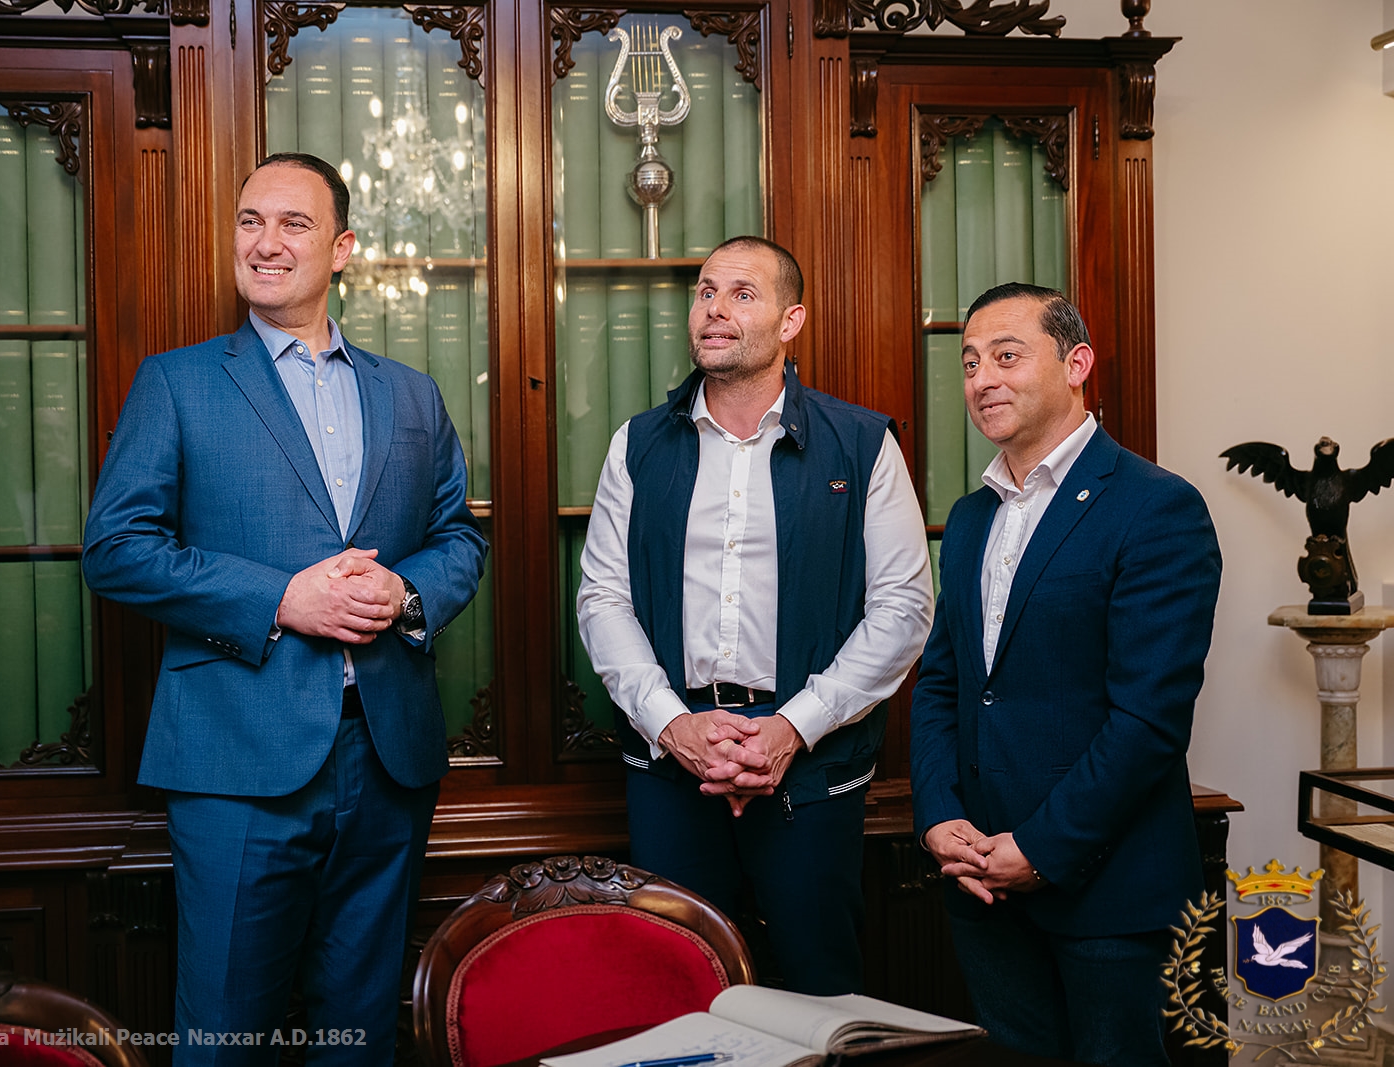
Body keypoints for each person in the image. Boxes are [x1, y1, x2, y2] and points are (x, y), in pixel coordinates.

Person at [82, 153, 487, 1065]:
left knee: (359, 1034)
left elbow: (458, 536)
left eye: (293, 224)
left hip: (386, 758)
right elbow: (115, 549)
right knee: (227, 1033)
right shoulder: (178, 383)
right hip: (234, 760)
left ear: (342, 248)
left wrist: (406, 591)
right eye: (249, 221)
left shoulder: (410, 393)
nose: (265, 243)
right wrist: (281, 597)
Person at [576, 235, 934, 995]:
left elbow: (902, 609)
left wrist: (791, 728)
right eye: (706, 292)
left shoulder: (863, 443)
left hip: (813, 764)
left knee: (820, 988)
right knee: (676, 988)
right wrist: (673, 726)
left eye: (742, 294)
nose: (715, 309)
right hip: (672, 760)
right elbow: (603, 599)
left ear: (790, 320)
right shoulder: (637, 445)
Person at [910, 282, 1221, 1066]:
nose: (983, 379)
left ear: (1076, 363)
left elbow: (1148, 720)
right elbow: (945, 682)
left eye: (1007, 356)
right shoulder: (971, 517)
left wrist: (1040, 848)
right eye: (970, 362)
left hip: (1108, 890)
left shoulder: (1157, 507)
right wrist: (939, 815)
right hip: (982, 882)